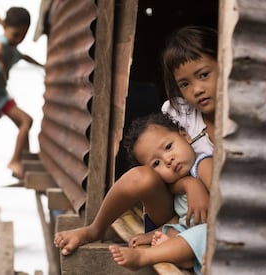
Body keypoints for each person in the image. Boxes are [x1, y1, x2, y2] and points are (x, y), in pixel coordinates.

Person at [54, 25, 217, 260]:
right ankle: (94, 229)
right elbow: (166, 173)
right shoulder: (183, 113)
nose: (197, 89)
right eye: (184, 84)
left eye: (204, 75)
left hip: (211, 215)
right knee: (142, 176)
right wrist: (191, 186)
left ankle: (168, 238)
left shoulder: (244, 124)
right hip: (174, 206)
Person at [108, 112, 212, 274]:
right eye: (156, 163)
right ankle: (183, 255)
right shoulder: (178, 184)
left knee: (202, 233)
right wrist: (150, 235)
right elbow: (181, 218)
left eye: (169, 147)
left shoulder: (203, 165)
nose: (168, 160)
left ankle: (145, 256)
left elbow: (227, 200)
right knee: (173, 230)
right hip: (193, 234)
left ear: (185, 136)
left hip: (215, 232)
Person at [0, 7, 43, 179]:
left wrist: (43, 66)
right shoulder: (1, 44)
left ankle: (25, 158)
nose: (18, 40)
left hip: (1, 94)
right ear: (4, 27)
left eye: (23, 36)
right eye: (15, 35)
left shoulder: (11, 45)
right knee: (26, 121)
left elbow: (23, 56)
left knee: (23, 125)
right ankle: (14, 161)